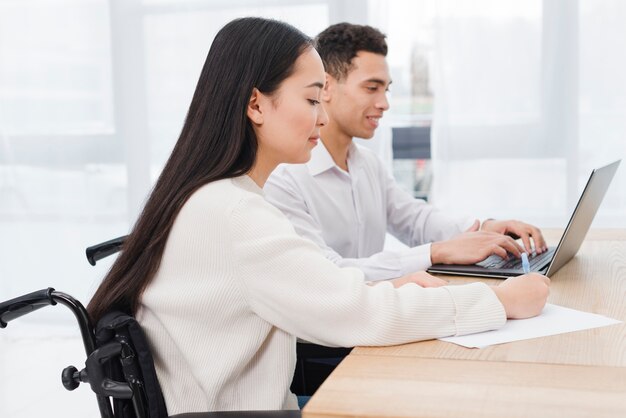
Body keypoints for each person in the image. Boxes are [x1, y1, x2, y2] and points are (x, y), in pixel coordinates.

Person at [87, 17, 550, 414]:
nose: (322, 119)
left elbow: (331, 291)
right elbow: (356, 311)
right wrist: (499, 302)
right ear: (255, 104)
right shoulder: (235, 214)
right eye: (311, 100)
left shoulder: (216, 196)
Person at [264, 23, 548, 282]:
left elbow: (415, 219)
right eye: (371, 88)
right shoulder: (283, 178)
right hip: (330, 333)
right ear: (325, 87)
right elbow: (327, 273)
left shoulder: (367, 164)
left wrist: (486, 227)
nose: (384, 103)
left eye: (386, 90)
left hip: (373, 314)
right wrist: (435, 253)